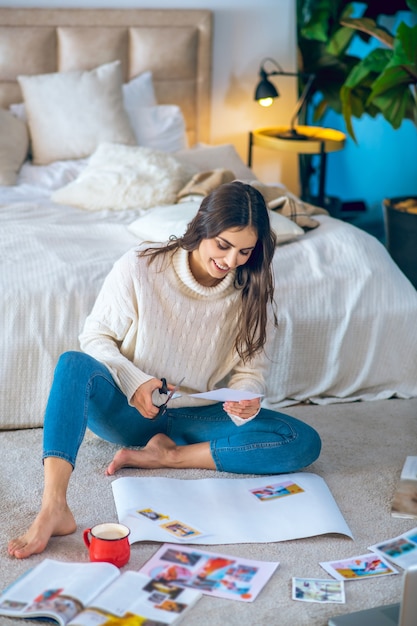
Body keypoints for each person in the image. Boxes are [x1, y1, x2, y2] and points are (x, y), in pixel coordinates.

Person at [8, 181, 321, 559]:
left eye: (244, 251)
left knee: (300, 440)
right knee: (73, 364)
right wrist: (134, 381)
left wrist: (247, 400)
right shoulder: (142, 266)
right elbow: (94, 336)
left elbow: (249, 371)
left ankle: (169, 456)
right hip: (129, 411)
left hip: (194, 418)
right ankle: (54, 507)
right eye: (223, 245)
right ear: (202, 228)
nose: (232, 261)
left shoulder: (250, 288)